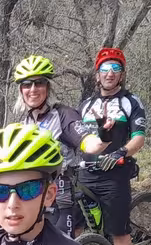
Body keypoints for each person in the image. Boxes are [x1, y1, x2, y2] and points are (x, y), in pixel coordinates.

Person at [12, 55, 107, 235]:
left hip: (63, 191)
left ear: (48, 87)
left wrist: (104, 136)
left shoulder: (64, 115)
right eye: (27, 84)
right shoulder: (23, 121)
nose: (33, 89)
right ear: (21, 90)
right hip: (34, 191)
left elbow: (89, 143)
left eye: (39, 83)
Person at [78, 47, 146, 245]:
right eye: (105, 69)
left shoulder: (130, 102)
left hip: (114, 174)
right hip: (85, 173)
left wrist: (121, 152)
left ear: (122, 74)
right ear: (97, 75)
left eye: (115, 69)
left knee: (118, 230)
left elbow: (139, 137)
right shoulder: (86, 105)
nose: (109, 74)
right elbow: (74, 137)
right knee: (76, 225)